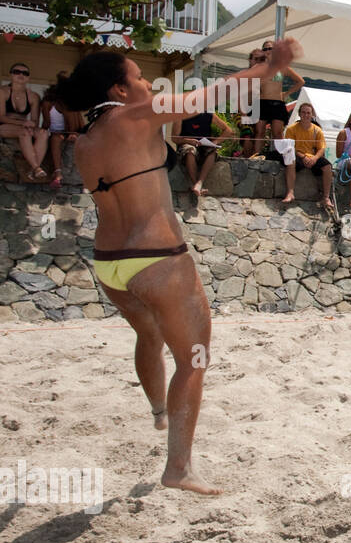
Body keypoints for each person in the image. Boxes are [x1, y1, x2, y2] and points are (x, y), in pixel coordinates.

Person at [61, 40, 300, 494]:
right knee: (194, 361)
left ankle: (157, 412)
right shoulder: (133, 116)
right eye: (138, 76)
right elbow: (205, 97)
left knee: (148, 336)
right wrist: (269, 68)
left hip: (110, 264)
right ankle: (178, 468)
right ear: (119, 88)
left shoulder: (87, 140)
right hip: (156, 259)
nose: (147, 83)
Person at [249, 43, 304, 157]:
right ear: (262, 51)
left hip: (277, 102)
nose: (268, 50)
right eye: (265, 49)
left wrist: (286, 93)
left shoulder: (282, 67)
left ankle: (282, 157)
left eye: (271, 48)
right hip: (262, 102)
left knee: (277, 133)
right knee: (259, 132)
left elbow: (300, 81)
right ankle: (256, 156)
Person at [1, 61, 50, 180]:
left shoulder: (33, 96)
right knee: (24, 132)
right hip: (4, 125)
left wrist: (30, 125)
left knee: (43, 133)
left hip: (25, 126)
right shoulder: (3, 92)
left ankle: (32, 171)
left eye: (25, 73)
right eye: (16, 72)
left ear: (28, 77)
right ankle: (36, 168)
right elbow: (1, 116)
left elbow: (34, 120)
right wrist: (23, 123)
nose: (21, 75)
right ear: (11, 75)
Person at [172, 108, 235, 199]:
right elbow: (174, 138)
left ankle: (200, 183)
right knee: (190, 150)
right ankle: (195, 183)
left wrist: (216, 142)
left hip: (204, 145)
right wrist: (188, 141)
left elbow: (228, 131)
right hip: (187, 146)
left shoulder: (209, 114)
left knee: (212, 152)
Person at [282, 101, 334, 207]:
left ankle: (326, 197)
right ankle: (290, 193)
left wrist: (314, 158)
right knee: (290, 160)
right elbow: (289, 147)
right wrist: (303, 157)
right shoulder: (291, 129)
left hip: (312, 156)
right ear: (300, 114)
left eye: (308, 113)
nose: (306, 115)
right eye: (303, 112)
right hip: (298, 155)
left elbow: (321, 148)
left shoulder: (317, 130)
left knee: (327, 166)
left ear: (312, 115)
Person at [38, 83, 82, 189]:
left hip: (69, 132)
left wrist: (73, 134)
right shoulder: (47, 103)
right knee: (55, 139)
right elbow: (46, 123)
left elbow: (77, 124)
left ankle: (59, 174)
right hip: (55, 133)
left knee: (60, 139)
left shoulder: (69, 105)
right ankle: (58, 173)